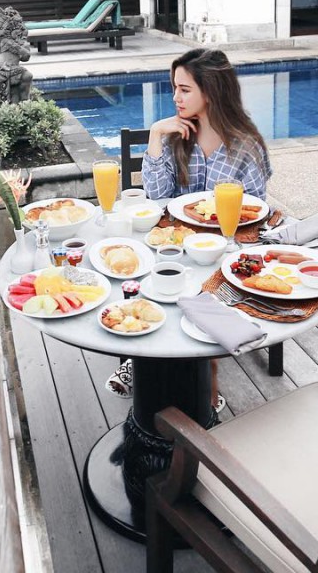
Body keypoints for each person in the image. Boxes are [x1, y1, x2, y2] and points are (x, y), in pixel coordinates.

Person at [105, 48, 272, 424]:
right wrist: (155, 134)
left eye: (184, 89)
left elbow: (254, 213)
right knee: (143, 274)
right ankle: (142, 355)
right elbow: (156, 196)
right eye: (174, 88)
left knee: (205, 290)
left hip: (223, 248)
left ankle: (203, 374)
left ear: (210, 92)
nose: (175, 98)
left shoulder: (246, 146)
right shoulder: (175, 137)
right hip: (175, 241)